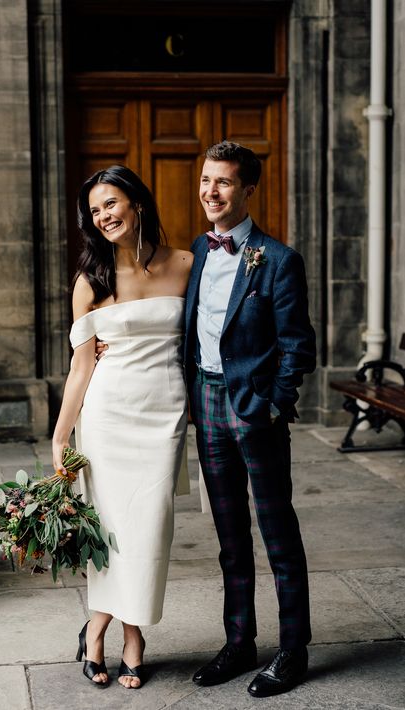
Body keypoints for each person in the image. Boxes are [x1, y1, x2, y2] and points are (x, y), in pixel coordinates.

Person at [52, 165, 193, 690]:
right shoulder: (91, 281)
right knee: (112, 532)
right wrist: (61, 436)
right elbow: (82, 366)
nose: (104, 215)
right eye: (94, 210)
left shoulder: (186, 264)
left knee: (148, 529)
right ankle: (121, 638)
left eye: (111, 203)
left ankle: (98, 621)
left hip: (165, 415)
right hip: (108, 417)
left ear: (136, 202)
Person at [184, 141, 316, 698]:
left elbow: (297, 345)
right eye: (206, 181)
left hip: (254, 412)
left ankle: (292, 650)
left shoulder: (278, 260)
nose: (211, 192)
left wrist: (272, 404)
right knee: (230, 537)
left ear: (248, 191)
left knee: (277, 533)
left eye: (224, 183)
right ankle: (239, 643)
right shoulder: (199, 249)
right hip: (208, 407)